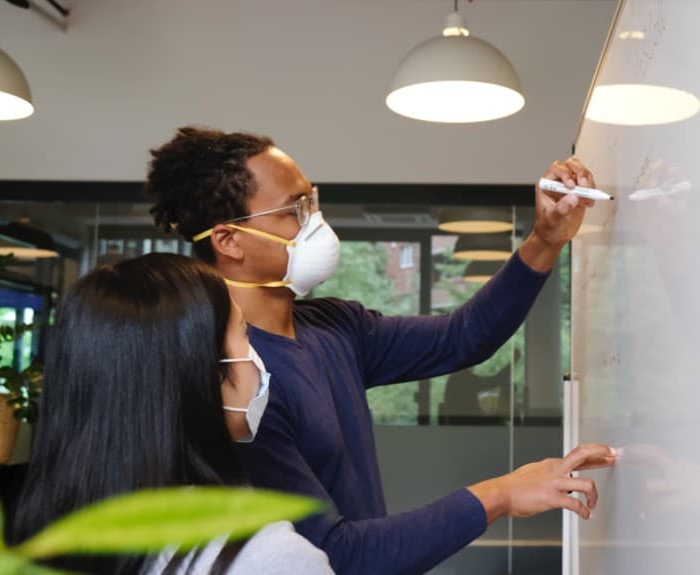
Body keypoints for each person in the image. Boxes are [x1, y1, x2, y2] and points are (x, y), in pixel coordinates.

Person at [146, 127, 615, 574]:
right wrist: (502, 494)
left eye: (312, 201)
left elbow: (463, 337)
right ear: (230, 240)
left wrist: (546, 239)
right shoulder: (238, 388)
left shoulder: (332, 326)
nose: (315, 223)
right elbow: (336, 558)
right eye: (293, 211)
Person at [10, 253, 335, 575]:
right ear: (201, 372)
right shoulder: (268, 558)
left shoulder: (25, 537)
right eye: (244, 335)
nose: (256, 359)